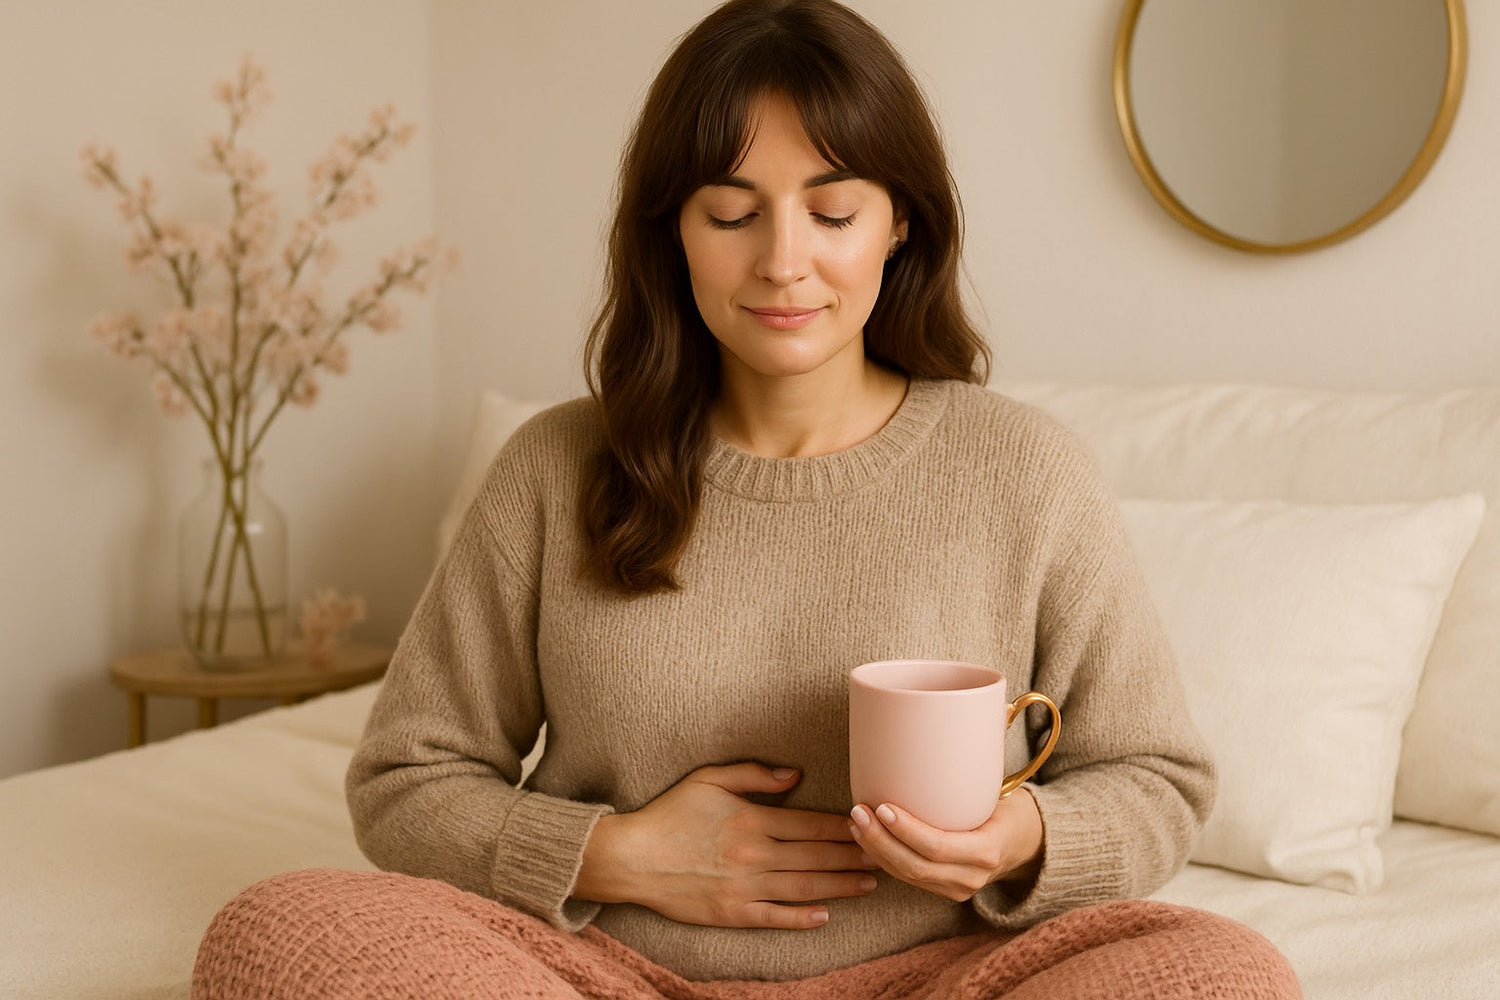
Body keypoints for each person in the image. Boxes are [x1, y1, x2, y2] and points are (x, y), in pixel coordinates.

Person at [191, 1, 1302, 997]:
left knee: (1223, 975)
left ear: (899, 222)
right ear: (672, 232)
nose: (783, 262)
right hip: (605, 972)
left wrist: (1017, 835)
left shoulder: (1024, 468)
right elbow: (404, 779)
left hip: (945, 976)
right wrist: (613, 854)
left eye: (833, 212)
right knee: (280, 930)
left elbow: (1155, 780)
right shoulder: (555, 466)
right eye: (732, 213)